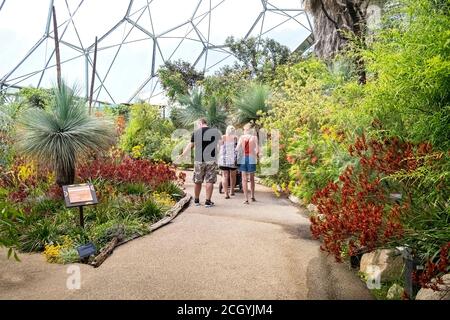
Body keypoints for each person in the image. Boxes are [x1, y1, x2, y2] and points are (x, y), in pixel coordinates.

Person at [179, 118, 220, 208]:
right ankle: (207, 201)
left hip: (199, 160)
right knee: (210, 180)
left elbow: (191, 145)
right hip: (211, 159)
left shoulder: (196, 132)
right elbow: (218, 145)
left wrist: (183, 154)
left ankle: (197, 200)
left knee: (198, 180)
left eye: (197, 125)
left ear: (200, 123)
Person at [236, 123, 259, 204]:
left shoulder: (242, 138)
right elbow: (257, 150)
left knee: (244, 179)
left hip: (243, 158)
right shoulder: (254, 138)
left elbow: (237, 149)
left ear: (245, 130)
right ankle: (252, 196)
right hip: (252, 158)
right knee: (252, 178)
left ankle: (246, 199)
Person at [218, 125, 238, 199]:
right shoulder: (236, 138)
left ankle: (226, 193)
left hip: (224, 159)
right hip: (233, 159)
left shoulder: (223, 137)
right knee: (233, 175)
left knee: (224, 175)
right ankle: (232, 190)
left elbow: (219, 147)